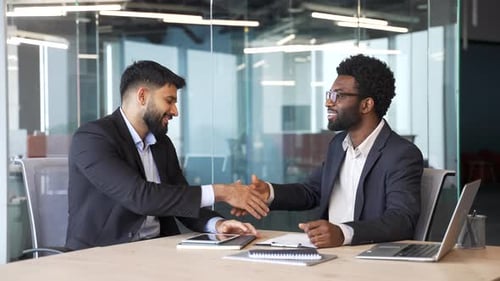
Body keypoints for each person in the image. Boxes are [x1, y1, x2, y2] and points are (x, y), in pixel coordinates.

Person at [66, 60, 268, 250]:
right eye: (169, 101)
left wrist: (217, 224)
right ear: (142, 96)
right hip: (103, 256)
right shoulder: (92, 138)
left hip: (157, 250)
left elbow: (178, 197)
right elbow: (140, 197)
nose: (175, 111)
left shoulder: (161, 143)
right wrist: (223, 191)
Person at [233, 54, 423, 248]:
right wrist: (269, 193)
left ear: (366, 105)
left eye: (338, 96)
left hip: (369, 257)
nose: (328, 103)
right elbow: (312, 191)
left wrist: (343, 233)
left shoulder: (400, 154)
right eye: (329, 95)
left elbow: (402, 220)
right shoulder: (338, 144)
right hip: (330, 254)